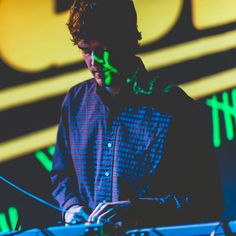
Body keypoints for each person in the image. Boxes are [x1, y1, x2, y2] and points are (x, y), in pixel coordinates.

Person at [50, 0, 224, 230]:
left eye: (103, 50)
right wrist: (71, 207)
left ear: (128, 41)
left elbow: (207, 201)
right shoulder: (74, 103)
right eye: (86, 50)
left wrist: (140, 211)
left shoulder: (175, 107)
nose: (95, 62)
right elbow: (62, 176)